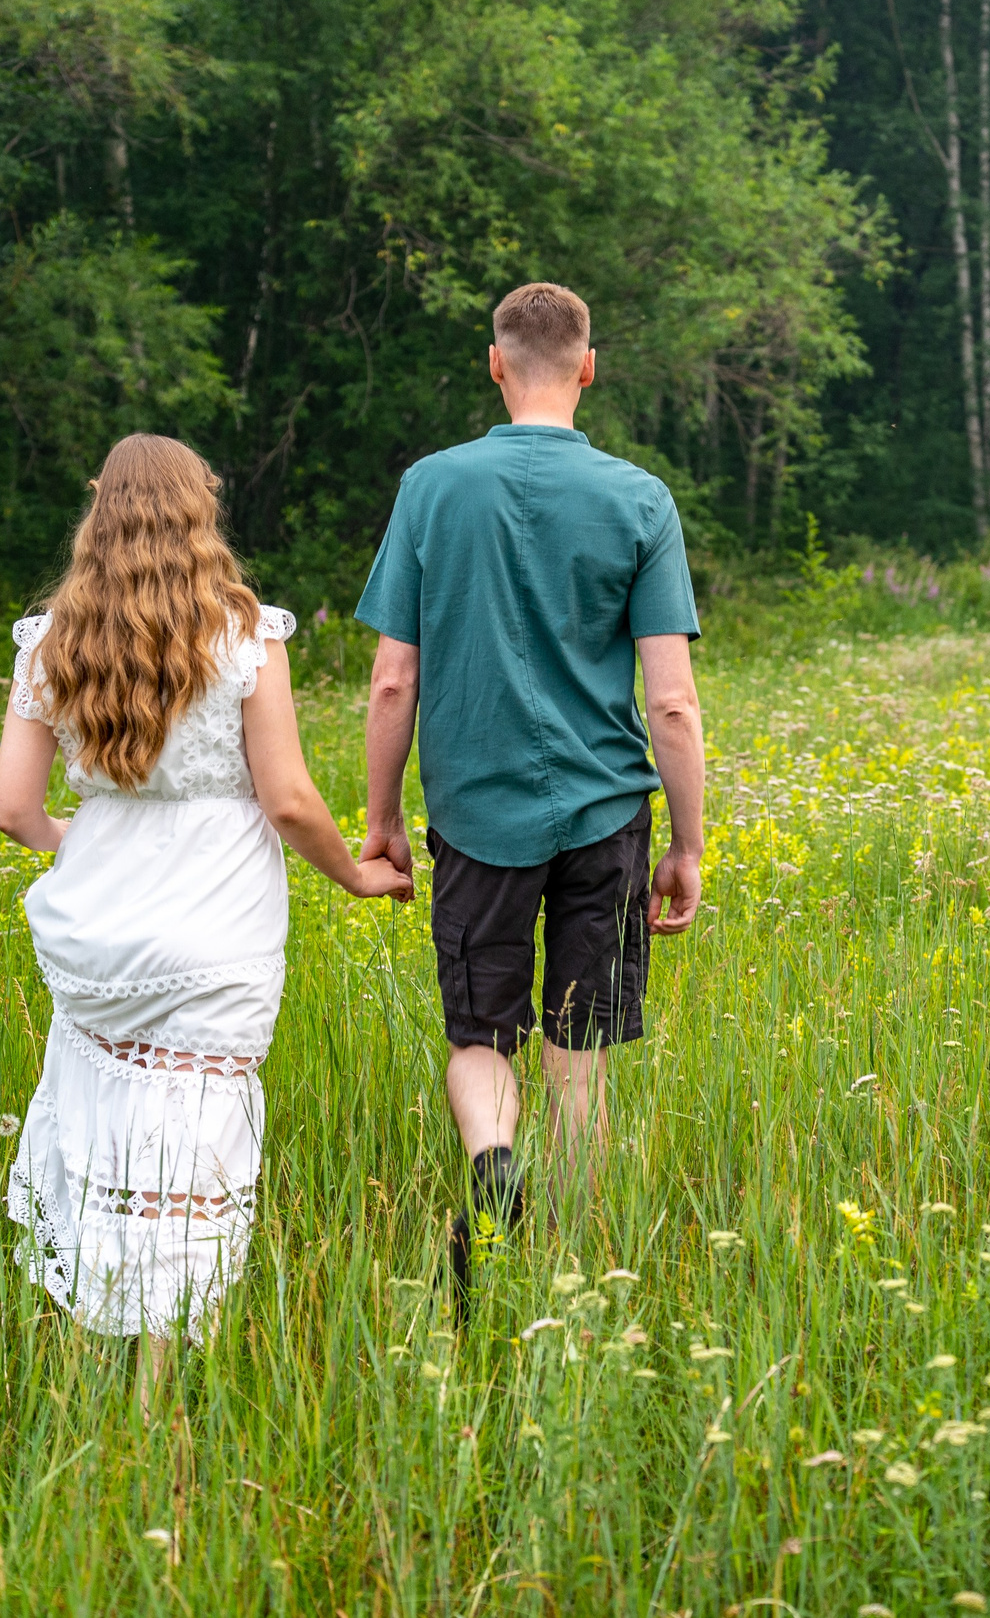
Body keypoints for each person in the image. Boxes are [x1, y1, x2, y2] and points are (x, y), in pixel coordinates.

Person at [0, 433, 410, 1406]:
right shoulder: (244, 636)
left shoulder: (50, 641)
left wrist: (89, 845)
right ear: (201, 509)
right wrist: (353, 875)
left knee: (93, 1131)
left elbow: (13, 809)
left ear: (99, 509)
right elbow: (293, 800)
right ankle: (154, 1394)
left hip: (94, 934)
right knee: (192, 1146)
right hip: (216, 925)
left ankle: (77, 1374)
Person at [356, 281, 706, 1308]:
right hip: (605, 814)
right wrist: (684, 843)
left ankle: (492, 1161)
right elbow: (673, 703)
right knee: (581, 1055)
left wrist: (381, 817)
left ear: (496, 363)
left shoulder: (431, 487)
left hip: (474, 814)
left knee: (481, 1038)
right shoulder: (639, 499)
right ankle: (577, 1274)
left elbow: (392, 678)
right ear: (587, 368)